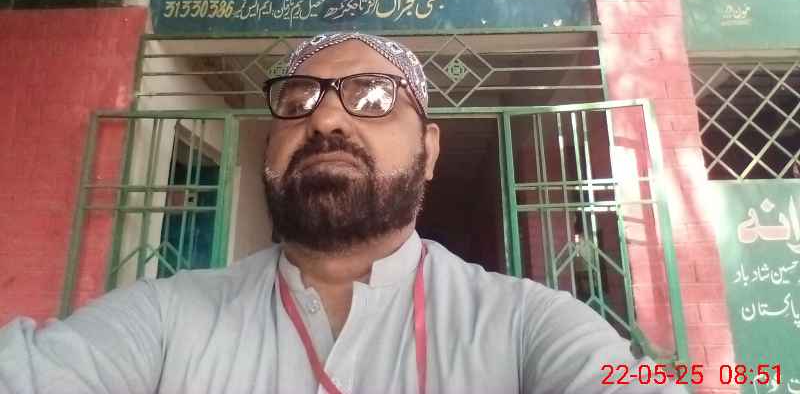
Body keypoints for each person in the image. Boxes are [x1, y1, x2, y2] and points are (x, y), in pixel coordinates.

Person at [0, 32, 688, 393]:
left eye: (374, 97)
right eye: (297, 99)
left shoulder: (528, 325)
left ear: (429, 150)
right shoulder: (165, 318)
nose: (325, 117)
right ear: (271, 146)